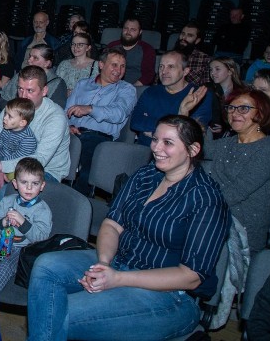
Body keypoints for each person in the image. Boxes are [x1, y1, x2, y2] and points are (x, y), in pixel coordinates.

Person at [27, 115, 229, 341]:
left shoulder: (206, 199)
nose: (156, 148)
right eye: (155, 139)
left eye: (168, 143)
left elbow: (191, 276)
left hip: (170, 296)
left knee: (60, 312)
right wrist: (103, 265)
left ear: (193, 150)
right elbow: (112, 224)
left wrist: (118, 279)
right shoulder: (146, 175)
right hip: (119, 263)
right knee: (46, 266)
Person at [205, 89, 270, 253]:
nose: (234, 113)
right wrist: (184, 111)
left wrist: (194, 204)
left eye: (244, 108)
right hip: (212, 219)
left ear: (261, 113)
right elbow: (192, 148)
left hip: (242, 233)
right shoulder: (227, 143)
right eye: (231, 108)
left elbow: (235, 192)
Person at [65, 47, 137, 195]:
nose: (119, 70)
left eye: (122, 66)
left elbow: (119, 113)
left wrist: (90, 109)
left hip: (99, 138)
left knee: (86, 168)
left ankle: (77, 206)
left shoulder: (126, 90)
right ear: (101, 65)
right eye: (114, 64)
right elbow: (67, 111)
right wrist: (68, 126)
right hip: (72, 134)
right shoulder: (83, 84)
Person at [0, 66, 71, 183]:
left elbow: (39, 160)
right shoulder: (12, 108)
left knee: (8, 192)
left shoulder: (55, 118)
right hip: (7, 160)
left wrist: (1, 166)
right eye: (20, 89)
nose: (23, 95)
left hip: (45, 170)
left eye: (30, 90)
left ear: (44, 91)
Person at [0, 158, 52, 293]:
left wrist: (23, 222)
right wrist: (3, 222)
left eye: (35, 183)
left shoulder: (42, 210)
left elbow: (42, 238)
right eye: (24, 182)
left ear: (42, 186)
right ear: (15, 183)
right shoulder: (7, 202)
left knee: (7, 264)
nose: (29, 187)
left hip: (24, 251)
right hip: (2, 244)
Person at [131, 51, 212, 146]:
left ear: (185, 71)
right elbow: (135, 122)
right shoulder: (150, 91)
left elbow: (193, 133)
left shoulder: (198, 95)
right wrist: (176, 121)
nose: (164, 71)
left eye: (171, 66)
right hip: (144, 149)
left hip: (176, 153)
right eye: (161, 66)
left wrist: (153, 133)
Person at [0, 98, 38, 192]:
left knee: (17, 179)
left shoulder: (28, 139)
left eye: (10, 116)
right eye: (5, 114)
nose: (4, 118)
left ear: (22, 122)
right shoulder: (7, 128)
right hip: (0, 160)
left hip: (16, 167)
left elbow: (18, 158)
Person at [1, 44, 68, 109]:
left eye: (35, 58)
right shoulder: (20, 75)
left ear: (46, 63)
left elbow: (56, 110)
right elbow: (3, 101)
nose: (29, 60)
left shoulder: (57, 83)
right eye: (30, 56)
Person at [107, 18, 156, 86]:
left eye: (133, 29)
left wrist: (131, 89)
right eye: (126, 28)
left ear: (140, 32)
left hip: (135, 88)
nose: (128, 32)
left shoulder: (147, 49)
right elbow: (104, 68)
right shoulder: (112, 46)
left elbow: (148, 75)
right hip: (110, 86)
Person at [207, 56, 245, 138]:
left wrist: (225, 127)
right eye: (211, 70)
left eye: (217, 69)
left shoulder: (242, 93)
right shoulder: (209, 89)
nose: (212, 73)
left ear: (230, 71)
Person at [55, 32, 100, 97]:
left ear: (88, 48)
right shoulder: (64, 64)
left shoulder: (96, 66)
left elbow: (98, 89)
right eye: (73, 44)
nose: (76, 47)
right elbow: (56, 86)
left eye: (80, 45)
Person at [174, 22, 211, 86]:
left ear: (197, 40)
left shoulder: (204, 59)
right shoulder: (170, 55)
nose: (183, 38)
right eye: (183, 34)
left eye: (189, 35)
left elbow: (206, 86)